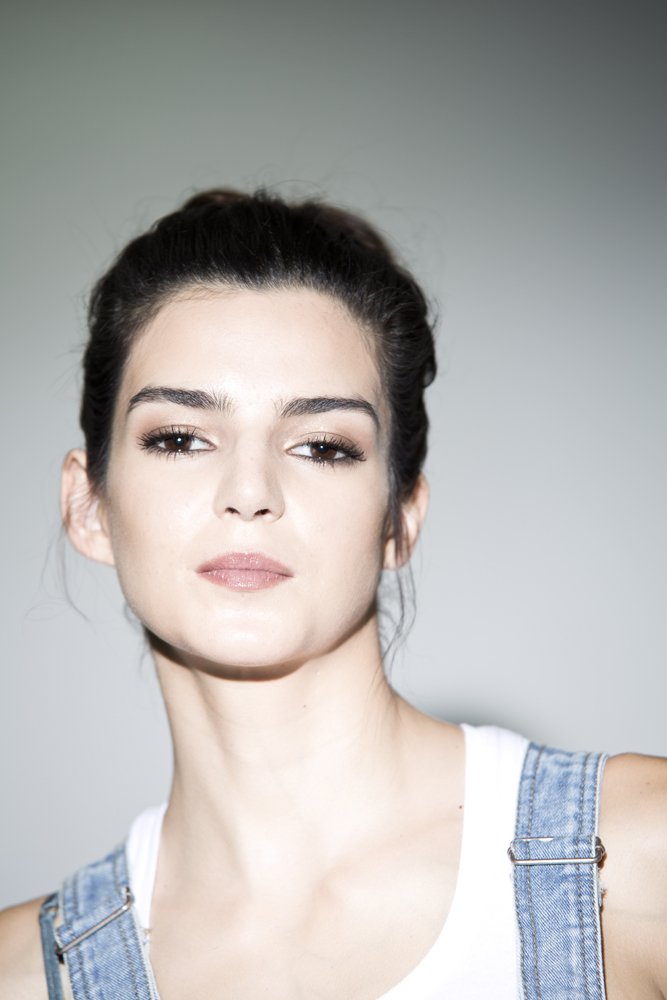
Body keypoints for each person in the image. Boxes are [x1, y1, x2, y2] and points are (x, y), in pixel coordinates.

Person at [0, 189, 665, 1000]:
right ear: (88, 505)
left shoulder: (639, 863)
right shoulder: (23, 976)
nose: (249, 492)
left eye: (322, 446)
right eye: (179, 438)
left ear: (400, 517)